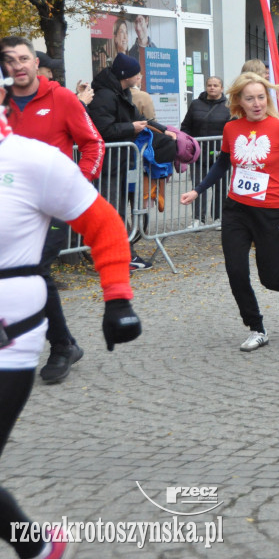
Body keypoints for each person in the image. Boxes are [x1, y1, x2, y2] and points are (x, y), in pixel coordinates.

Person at [0, 75, 142, 559]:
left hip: (10, 333)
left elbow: (103, 224)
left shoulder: (32, 160)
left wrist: (117, 299)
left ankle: (38, 549)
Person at [180, 72, 279, 351]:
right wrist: (198, 189)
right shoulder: (232, 128)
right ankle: (257, 327)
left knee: (271, 278)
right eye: (249, 98)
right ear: (239, 101)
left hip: (272, 210)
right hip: (237, 209)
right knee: (236, 271)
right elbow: (222, 164)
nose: (256, 103)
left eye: (260, 97)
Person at [2, 36, 106, 385]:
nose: (17, 65)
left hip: (53, 204)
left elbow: (93, 143)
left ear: (35, 63)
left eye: (23, 58)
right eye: (9, 60)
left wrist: (78, 183)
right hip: (12, 206)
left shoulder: (60, 98)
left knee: (35, 269)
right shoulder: (2, 103)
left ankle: (63, 346)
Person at [88, 52, 170, 271]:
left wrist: (166, 131)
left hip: (120, 162)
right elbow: (102, 129)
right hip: (108, 164)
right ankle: (118, 258)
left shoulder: (120, 92)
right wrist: (130, 128)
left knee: (119, 211)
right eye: (137, 73)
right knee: (112, 213)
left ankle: (122, 255)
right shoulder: (105, 95)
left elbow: (138, 118)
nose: (140, 76)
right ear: (127, 75)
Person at [181, 76, 231, 226]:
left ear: (222, 88)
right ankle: (198, 219)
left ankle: (218, 217)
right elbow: (186, 126)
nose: (212, 88)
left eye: (216, 85)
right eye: (209, 85)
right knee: (198, 185)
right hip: (198, 153)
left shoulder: (229, 106)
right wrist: (188, 143)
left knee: (221, 186)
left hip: (220, 153)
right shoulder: (196, 104)